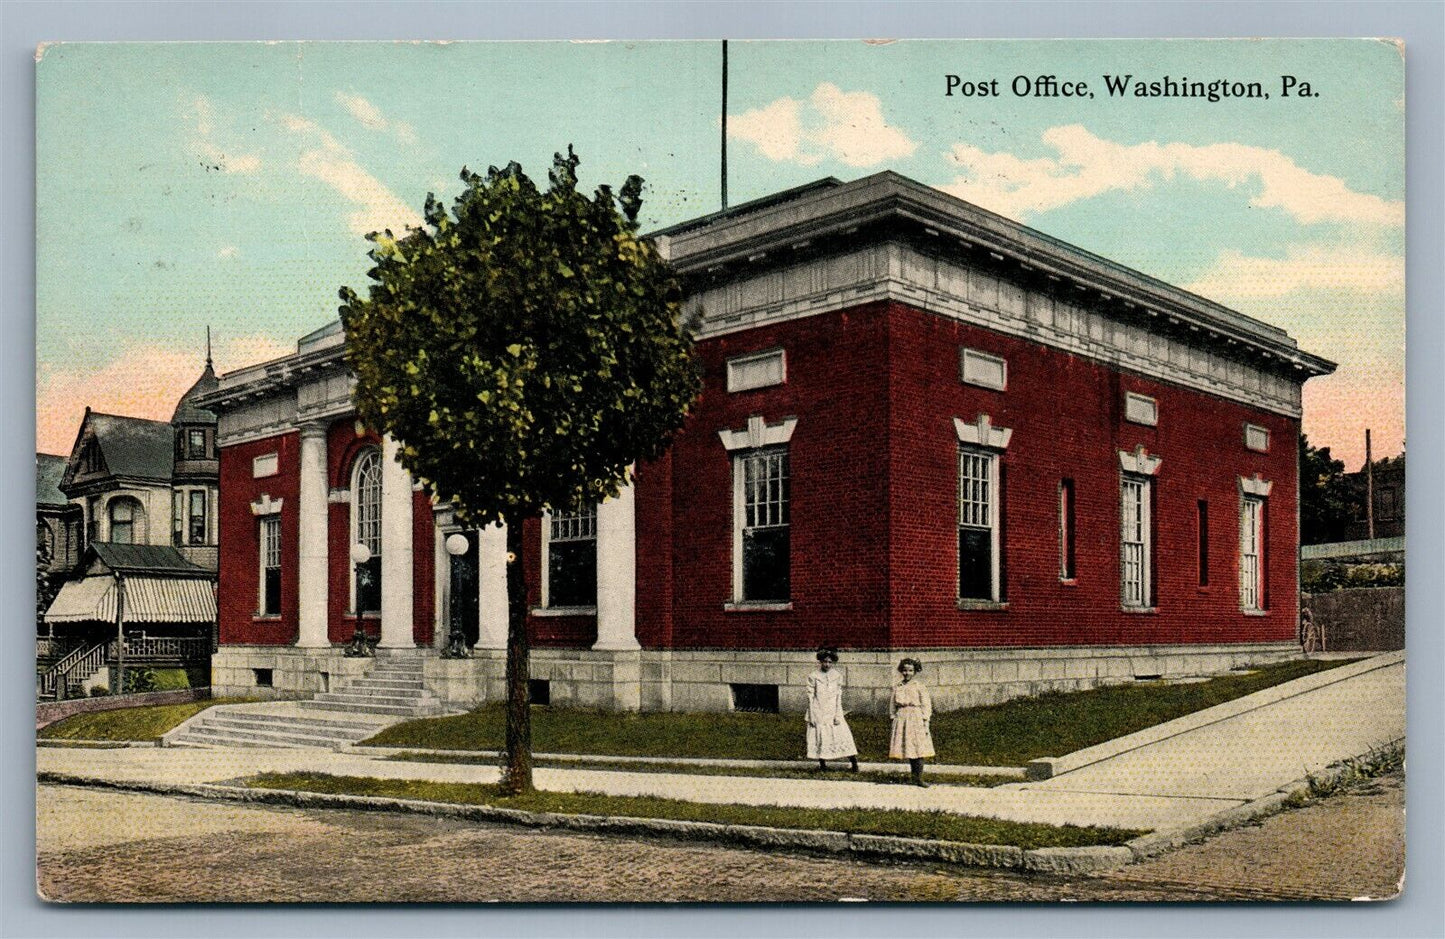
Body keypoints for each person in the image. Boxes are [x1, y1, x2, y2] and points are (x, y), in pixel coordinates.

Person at [806, 648, 859, 772]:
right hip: (818, 710)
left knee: (843, 736)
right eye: (824, 662)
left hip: (833, 710)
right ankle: (823, 765)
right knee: (820, 737)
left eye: (830, 662)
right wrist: (812, 715)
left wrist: (837, 714)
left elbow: (838, 696)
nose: (827, 665)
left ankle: (854, 763)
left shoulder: (837, 676)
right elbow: (810, 696)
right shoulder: (813, 676)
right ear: (820, 662)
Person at [889, 657, 935, 787]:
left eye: (910, 670)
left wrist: (925, 720)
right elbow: (892, 704)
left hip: (916, 717)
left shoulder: (919, 686)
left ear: (915, 672)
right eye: (904, 670)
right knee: (908, 747)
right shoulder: (897, 686)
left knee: (918, 747)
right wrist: (893, 717)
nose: (907, 673)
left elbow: (926, 705)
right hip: (902, 717)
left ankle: (919, 778)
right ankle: (913, 777)